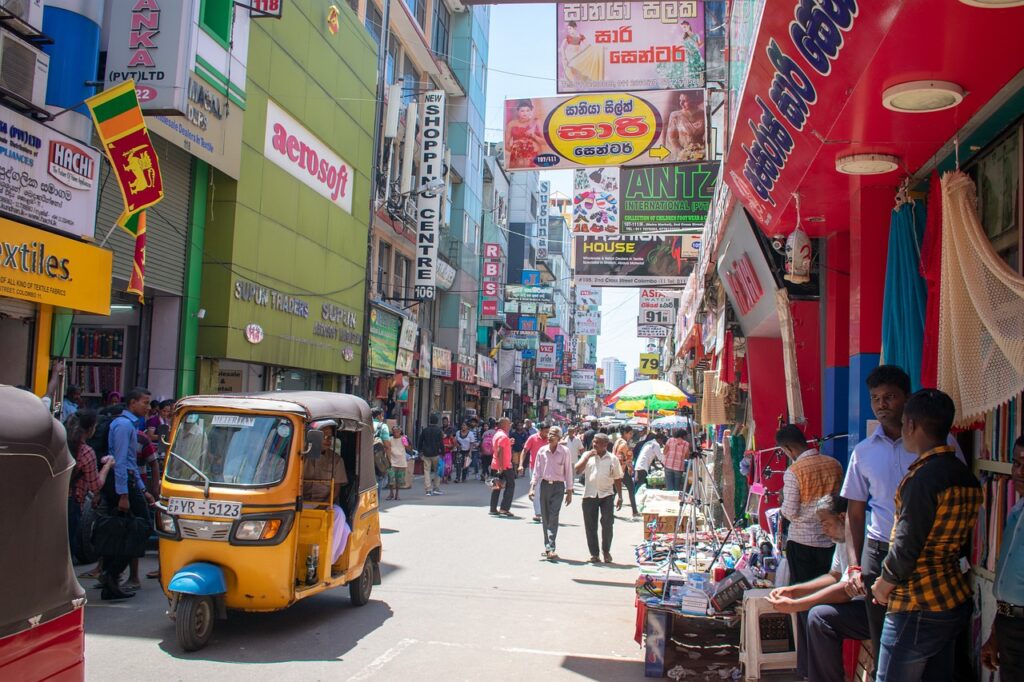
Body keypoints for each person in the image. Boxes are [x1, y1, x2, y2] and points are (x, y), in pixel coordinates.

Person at [843, 365, 966, 672]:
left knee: (925, 646)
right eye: (875, 398)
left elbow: (958, 492)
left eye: (889, 397)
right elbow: (855, 514)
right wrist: (854, 564)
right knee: (886, 639)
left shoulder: (942, 444)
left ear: (907, 400)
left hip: (927, 558)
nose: (882, 404)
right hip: (880, 552)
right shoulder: (863, 452)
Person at [870, 389, 981, 681]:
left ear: (910, 425)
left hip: (916, 602)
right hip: (950, 597)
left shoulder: (921, 479)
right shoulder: (965, 476)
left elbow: (906, 546)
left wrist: (883, 584)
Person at [767, 495, 870, 682]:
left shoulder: (862, 532)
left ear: (841, 516)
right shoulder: (843, 536)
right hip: (859, 603)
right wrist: (794, 591)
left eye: (825, 523)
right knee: (815, 614)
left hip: (873, 607)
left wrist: (798, 604)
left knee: (819, 617)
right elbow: (834, 576)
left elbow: (847, 590)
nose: (824, 529)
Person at [776, 423, 843, 679]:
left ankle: (806, 667)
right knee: (827, 601)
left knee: (804, 604)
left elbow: (790, 512)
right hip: (831, 542)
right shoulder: (834, 463)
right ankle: (824, 663)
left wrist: (782, 503)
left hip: (803, 543)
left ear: (789, 448)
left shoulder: (794, 472)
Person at [98, 387, 153, 600]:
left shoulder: (130, 425)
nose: (148, 407)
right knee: (141, 527)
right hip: (121, 483)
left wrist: (143, 490)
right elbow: (120, 461)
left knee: (125, 529)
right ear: (132, 403)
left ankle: (111, 577)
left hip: (128, 482)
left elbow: (130, 462)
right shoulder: (123, 425)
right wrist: (124, 494)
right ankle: (111, 574)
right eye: (145, 403)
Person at [982, 435, 1024, 680]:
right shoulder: (1016, 511)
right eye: (1016, 463)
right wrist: (996, 633)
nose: (1019, 472)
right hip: (1009, 628)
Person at [302, 421, 351, 566]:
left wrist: (324, 506)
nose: (328, 440)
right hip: (300, 502)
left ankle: (326, 561)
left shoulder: (336, 460)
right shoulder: (301, 455)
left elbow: (336, 489)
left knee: (339, 515)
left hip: (324, 504)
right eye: (323, 436)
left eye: (330, 437)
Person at [67, 410, 114, 560]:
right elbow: (96, 485)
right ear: (90, 429)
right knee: (67, 546)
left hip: (54, 499)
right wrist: (107, 466)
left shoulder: (61, 445)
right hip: (71, 502)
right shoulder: (87, 452)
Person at [576, 433, 623, 563]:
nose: (594, 444)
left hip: (607, 495)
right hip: (589, 495)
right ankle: (594, 554)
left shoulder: (613, 459)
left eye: (598, 443)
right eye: (594, 442)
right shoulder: (588, 456)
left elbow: (618, 478)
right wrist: (587, 457)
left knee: (607, 524)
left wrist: (620, 496)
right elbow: (577, 470)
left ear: (605, 445)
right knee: (590, 526)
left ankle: (606, 551)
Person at [530, 426, 574, 561]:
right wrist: (532, 488)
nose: (550, 436)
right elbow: (536, 471)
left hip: (558, 487)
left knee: (554, 516)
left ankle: (551, 547)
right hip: (545, 486)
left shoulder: (565, 452)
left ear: (560, 438)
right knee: (546, 517)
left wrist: (569, 490)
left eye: (554, 434)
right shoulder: (542, 451)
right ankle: (548, 546)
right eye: (549, 433)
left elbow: (568, 471)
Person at [521, 422, 550, 522]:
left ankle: (545, 511)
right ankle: (537, 513)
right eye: (546, 432)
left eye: (548, 432)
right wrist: (521, 465)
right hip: (534, 468)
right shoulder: (532, 438)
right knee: (537, 491)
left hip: (548, 469)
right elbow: (524, 451)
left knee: (546, 491)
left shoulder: (550, 439)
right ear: (540, 430)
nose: (547, 434)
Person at [664, 91, 705, 161]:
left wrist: (702, 152)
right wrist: (683, 153)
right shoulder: (675, 115)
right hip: (682, 155)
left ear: (693, 101)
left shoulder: (703, 114)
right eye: (680, 100)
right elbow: (672, 138)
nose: (681, 103)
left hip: (701, 154)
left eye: (685, 101)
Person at [505, 100, 545, 169]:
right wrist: (516, 150)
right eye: (522, 111)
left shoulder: (536, 122)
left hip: (532, 158)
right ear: (517, 111)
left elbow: (545, 142)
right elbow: (506, 145)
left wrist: (533, 136)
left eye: (527, 110)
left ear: (531, 111)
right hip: (516, 159)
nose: (525, 113)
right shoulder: (511, 124)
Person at [489, 417, 516, 517]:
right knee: (510, 486)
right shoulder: (503, 436)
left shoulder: (497, 434)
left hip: (495, 464)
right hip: (504, 466)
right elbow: (500, 450)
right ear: (503, 425)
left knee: (496, 487)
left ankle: (493, 508)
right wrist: (501, 466)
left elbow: (500, 448)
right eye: (509, 424)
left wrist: (509, 442)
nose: (510, 426)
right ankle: (504, 508)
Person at [613, 425, 640, 518]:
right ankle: (634, 511)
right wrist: (629, 467)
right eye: (630, 433)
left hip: (616, 469)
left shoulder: (617, 441)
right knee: (631, 489)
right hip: (622, 469)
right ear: (625, 433)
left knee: (614, 490)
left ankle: (609, 511)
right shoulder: (624, 444)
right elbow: (624, 457)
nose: (631, 435)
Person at [418, 415, 445, 496]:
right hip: (436, 453)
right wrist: (443, 452)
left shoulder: (425, 430)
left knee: (427, 471)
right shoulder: (439, 431)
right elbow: (441, 442)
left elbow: (420, 441)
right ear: (437, 421)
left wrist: (420, 451)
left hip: (426, 453)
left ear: (430, 421)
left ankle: (428, 490)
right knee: (437, 471)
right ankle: (436, 488)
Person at [371, 407, 391, 494]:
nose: (382, 418)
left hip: (363, 458)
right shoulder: (383, 426)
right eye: (382, 416)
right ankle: (376, 504)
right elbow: (387, 446)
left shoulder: (366, 424)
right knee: (377, 481)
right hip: (376, 459)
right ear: (379, 416)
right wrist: (389, 460)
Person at [386, 426, 409, 501]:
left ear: (400, 432)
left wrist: (406, 441)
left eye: (397, 431)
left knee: (399, 480)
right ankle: (391, 493)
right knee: (391, 479)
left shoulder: (403, 438)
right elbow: (387, 448)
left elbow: (408, 448)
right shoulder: (390, 439)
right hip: (392, 461)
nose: (395, 433)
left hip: (401, 462)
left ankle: (397, 494)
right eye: (394, 432)